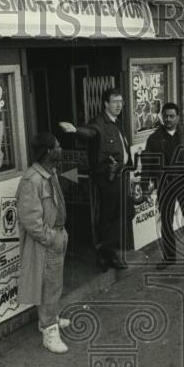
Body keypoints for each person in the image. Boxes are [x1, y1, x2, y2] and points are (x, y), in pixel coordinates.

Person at [60, 88, 132, 271]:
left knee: (126, 211)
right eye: (114, 101)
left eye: (120, 101)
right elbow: (90, 132)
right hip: (107, 178)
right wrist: (75, 130)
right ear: (106, 103)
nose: (118, 105)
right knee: (108, 216)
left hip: (121, 175)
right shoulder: (99, 122)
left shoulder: (117, 122)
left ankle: (105, 250)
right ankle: (109, 253)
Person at [16, 132, 70, 354]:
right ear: (48, 152)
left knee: (54, 283)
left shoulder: (50, 173)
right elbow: (30, 220)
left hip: (58, 234)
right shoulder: (32, 180)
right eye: (57, 145)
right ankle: (49, 331)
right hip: (48, 241)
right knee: (48, 286)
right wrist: (52, 239)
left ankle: (50, 318)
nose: (60, 148)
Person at [142, 103, 184, 271]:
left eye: (171, 116)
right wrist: (144, 185)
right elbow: (147, 163)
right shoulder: (154, 138)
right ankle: (169, 257)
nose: (168, 119)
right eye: (166, 116)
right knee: (167, 223)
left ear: (178, 117)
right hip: (165, 185)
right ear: (162, 117)